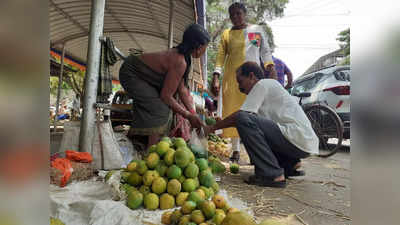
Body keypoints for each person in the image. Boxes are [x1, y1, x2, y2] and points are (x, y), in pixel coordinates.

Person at [204, 62, 318, 188]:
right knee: (246, 121)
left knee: (243, 118)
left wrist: (213, 128)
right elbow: (251, 125)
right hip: (302, 142)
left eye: (240, 81)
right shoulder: (269, 86)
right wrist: (222, 123)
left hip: (296, 138)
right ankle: (289, 164)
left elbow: (241, 117)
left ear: (252, 76)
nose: (239, 88)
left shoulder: (262, 84)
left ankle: (272, 175)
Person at [119, 24, 210, 149]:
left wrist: (193, 113)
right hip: (131, 73)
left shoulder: (185, 58)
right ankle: (152, 151)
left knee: (164, 107)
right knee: (160, 108)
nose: (204, 51)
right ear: (199, 47)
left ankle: (142, 143)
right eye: (205, 48)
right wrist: (188, 115)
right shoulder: (179, 61)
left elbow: (182, 89)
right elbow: (166, 96)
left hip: (141, 75)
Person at [211, 2, 277, 163]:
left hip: (252, 78)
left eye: (238, 13)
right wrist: (216, 76)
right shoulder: (227, 34)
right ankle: (235, 151)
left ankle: (256, 152)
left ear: (244, 13)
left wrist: (270, 66)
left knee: (254, 113)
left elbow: (263, 51)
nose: (235, 17)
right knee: (233, 112)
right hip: (233, 80)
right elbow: (220, 56)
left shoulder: (253, 32)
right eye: (232, 15)